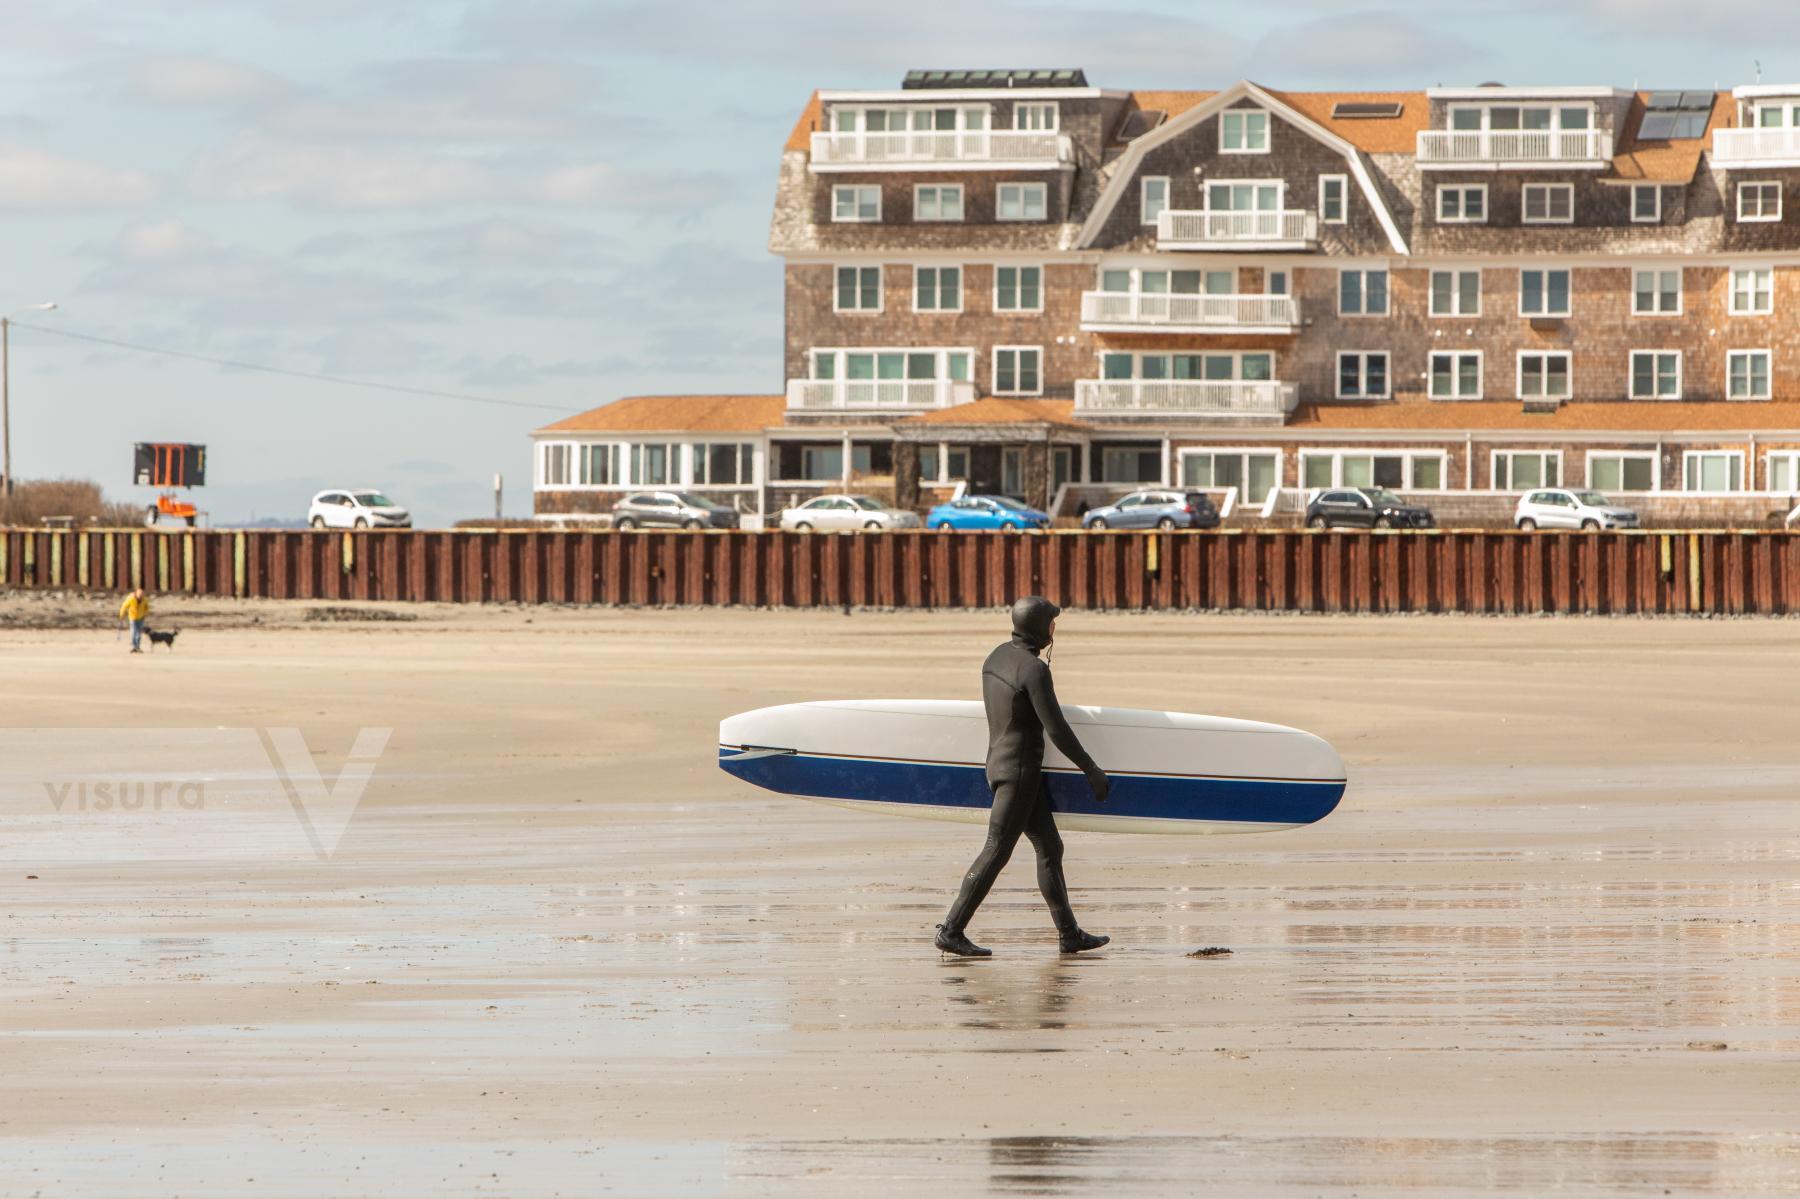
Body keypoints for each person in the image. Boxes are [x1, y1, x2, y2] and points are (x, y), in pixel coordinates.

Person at [936, 596, 1111, 957]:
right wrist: (1091, 769)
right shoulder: (1034, 671)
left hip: (998, 764)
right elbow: (1057, 729)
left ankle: (1069, 935)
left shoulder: (996, 656)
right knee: (996, 849)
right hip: (1018, 774)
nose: (1054, 628)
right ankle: (951, 930)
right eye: (1052, 622)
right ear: (1039, 627)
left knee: (1050, 847)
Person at [119, 587, 150, 654]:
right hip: (132, 617)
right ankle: (134, 646)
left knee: (139, 633)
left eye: (141, 596)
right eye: (139, 596)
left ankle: (137, 647)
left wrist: (145, 614)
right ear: (136, 594)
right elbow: (124, 606)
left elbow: (147, 607)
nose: (140, 597)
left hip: (141, 617)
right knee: (133, 632)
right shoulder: (131, 598)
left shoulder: (144, 599)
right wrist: (121, 614)